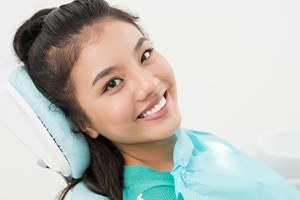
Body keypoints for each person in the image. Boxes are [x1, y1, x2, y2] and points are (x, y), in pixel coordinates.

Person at [13, 0, 300, 199]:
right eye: (112, 84)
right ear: (82, 121)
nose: (148, 84)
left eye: (145, 55)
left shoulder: (189, 146)